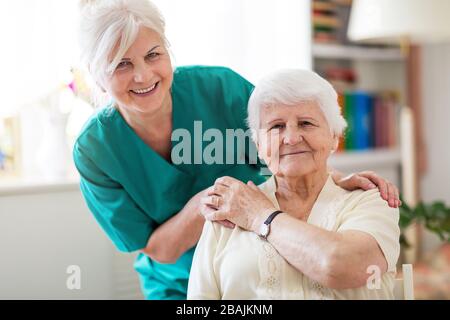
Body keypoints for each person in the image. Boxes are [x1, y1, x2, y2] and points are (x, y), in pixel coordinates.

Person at [74, 0, 401, 300]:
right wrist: (209, 202)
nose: (143, 74)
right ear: (98, 77)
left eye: (153, 54)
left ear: (168, 52)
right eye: (122, 64)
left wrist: (336, 181)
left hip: (260, 260)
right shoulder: (95, 151)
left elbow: (287, 142)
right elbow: (159, 250)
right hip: (175, 283)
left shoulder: (221, 89)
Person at [188, 69, 400, 299]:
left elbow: (339, 265)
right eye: (276, 126)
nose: (290, 138)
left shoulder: (370, 199)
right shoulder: (230, 210)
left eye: (306, 123)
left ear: (334, 137)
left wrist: (262, 216)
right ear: (259, 145)